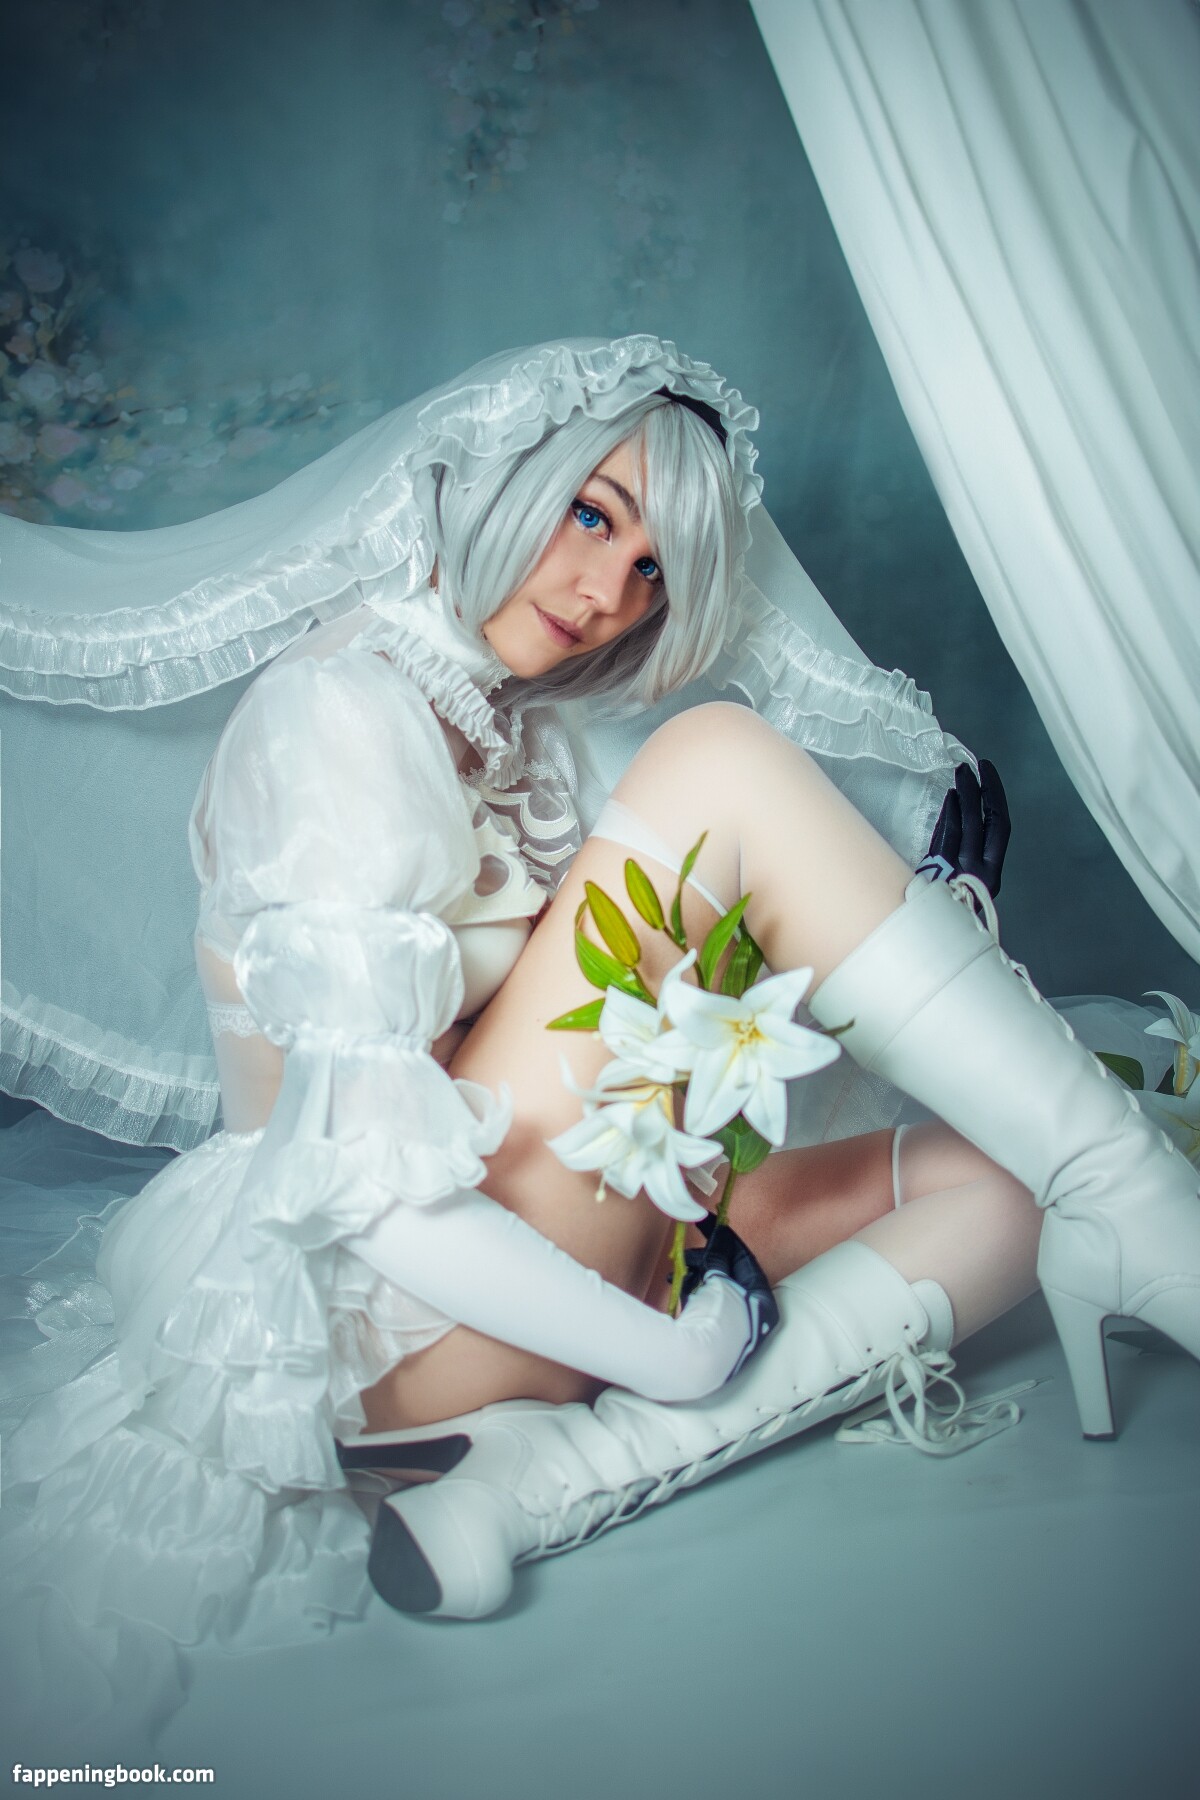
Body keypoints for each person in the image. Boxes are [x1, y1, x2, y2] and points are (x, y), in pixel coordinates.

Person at [0, 336, 1193, 1684]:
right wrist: (670, 1355)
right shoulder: (336, 717)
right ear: (501, 479)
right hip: (384, 1309)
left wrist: (932, 921)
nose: (608, 594)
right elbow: (370, 1187)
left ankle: (537, 1481)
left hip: (537, 1264)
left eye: (653, 571)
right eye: (591, 514)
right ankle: (1149, 1202)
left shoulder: (509, 733)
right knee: (718, 758)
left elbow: (655, 1015)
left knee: (1008, 1193)